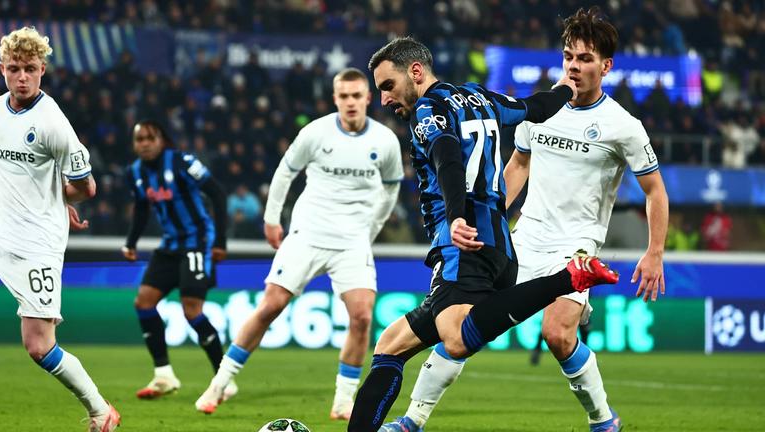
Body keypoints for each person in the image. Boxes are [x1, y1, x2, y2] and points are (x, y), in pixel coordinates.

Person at [381, 8, 669, 432]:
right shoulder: (543, 111)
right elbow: (517, 166)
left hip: (577, 244)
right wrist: (489, 218)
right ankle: (413, 419)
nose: (573, 66)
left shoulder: (623, 127)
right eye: (569, 56)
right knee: (461, 327)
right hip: (523, 239)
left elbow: (655, 191)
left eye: (585, 59)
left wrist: (654, 252)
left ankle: (603, 420)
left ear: (605, 66)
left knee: (557, 334)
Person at [347, 36, 620, 432]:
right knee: (390, 345)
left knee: (455, 339)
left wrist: (456, 216)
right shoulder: (479, 98)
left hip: (465, 244)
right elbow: (536, 108)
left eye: (388, 86)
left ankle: (569, 278)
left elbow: (447, 158)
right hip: (499, 246)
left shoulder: (428, 108)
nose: (384, 99)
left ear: (416, 72)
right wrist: (567, 87)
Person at [194, 67, 404, 419]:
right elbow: (285, 172)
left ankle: (342, 401)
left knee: (363, 317)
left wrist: (372, 229)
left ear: (368, 98)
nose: (350, 102)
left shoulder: (385, 141)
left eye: (357, 96)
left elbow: (392, 188)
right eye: (344, 96)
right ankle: (219, 383)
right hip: (308, 233)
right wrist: (271, 218)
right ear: (335, 98)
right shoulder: (316, 132)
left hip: (352, 241)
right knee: (270, 306)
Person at [0, 27, 120, 432]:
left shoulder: (53, 123)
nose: (21, 77)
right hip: (1, 231)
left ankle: (101, 411)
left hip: (37, 243)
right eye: (14, 69)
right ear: (2, 69)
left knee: (38, 346)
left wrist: (59, 198)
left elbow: (87, 187)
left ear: (42, 71)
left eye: (29, 69)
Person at [122, 119, 234, 401]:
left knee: (191, 309)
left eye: (150, 138)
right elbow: (141, 209)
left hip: (197, 241)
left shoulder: (182, 161)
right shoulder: (135, 172)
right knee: (144, 303)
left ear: (161, 140)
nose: (145, 144)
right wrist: (131, 242)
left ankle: (223, 379)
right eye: (139, 140)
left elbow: (218, 193)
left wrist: (220, 241)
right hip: (169, 246)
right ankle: (164, 375)